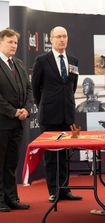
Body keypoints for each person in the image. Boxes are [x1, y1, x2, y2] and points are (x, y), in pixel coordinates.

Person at [32, 26, 82, 203]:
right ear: (51, 39)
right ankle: (54, 190)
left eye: (65, 36)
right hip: (49, 116)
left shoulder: (73, 61)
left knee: (65, 155)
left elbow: (72, 86)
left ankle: (65, 189)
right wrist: (44, 105)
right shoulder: (42, 60)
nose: (62, 39)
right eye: (58, 36)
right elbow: (36, 88)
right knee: (52, 156)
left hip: (67, 115)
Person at [0, 28, 32, 212]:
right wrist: (13, 111)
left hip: (18, 123)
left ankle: (11, 198)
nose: (13, 46)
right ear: (0, 42)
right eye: (10, 42)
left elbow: (28, 89)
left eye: (15, 43)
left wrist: (26, 109)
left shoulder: (18, 64)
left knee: (11, 163)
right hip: (2, 122)